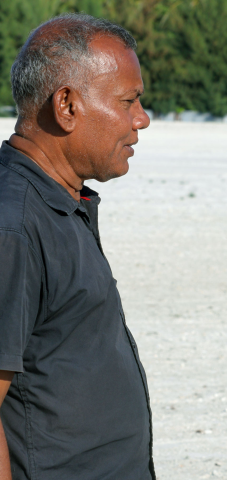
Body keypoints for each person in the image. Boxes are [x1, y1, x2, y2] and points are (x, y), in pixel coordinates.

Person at [0, 14, 154, 480]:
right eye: (127, 101)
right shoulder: (13, 226)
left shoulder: (58, 200)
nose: (141, 119)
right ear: (66, 105)